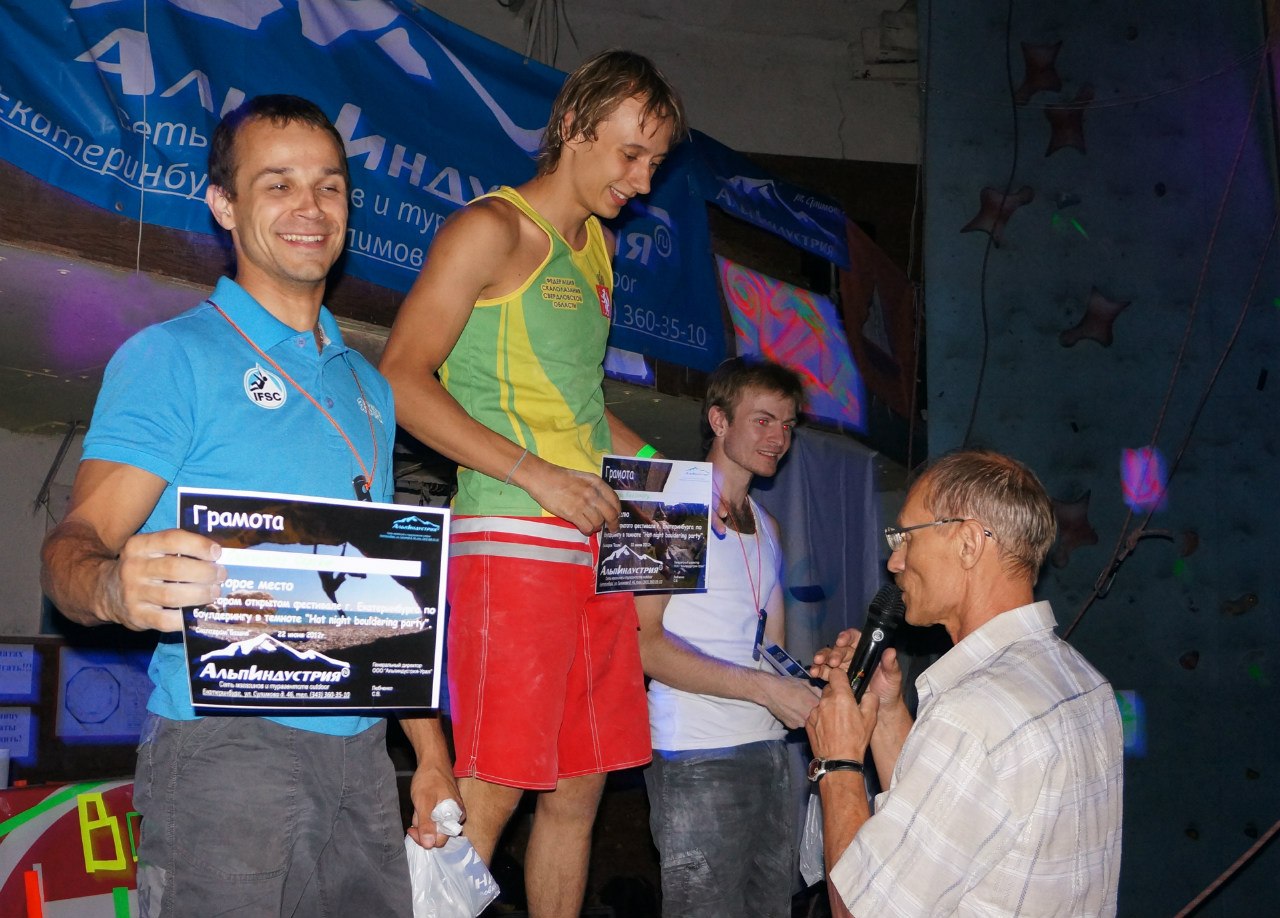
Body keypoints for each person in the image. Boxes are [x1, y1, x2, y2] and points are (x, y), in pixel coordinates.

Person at [40, 95, 458, 917]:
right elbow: (71, 546)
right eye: (278, 184)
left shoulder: (369, 386)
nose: (311, 207)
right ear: (224, 205)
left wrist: (431, 756)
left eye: (330, 186)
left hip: (365, 758)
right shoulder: (171, 358)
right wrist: (113, 586)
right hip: (228, 753)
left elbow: (388, 600)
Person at [379, 50, 687, 917]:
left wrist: (677, 484)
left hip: (592, 546)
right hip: (511, 538)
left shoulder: (598, 249)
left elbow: (580, 408)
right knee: (494, 787)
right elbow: (400, 378)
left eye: (656, 163)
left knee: (580, 789)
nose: (643, 180)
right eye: (631, 153)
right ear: (575, 127)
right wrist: (534, 474)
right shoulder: (491, 230)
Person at [805, 449, 1124, 917]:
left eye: (906, 537)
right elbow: (942, 820)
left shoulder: (973, 714)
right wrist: (886, 709)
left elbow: (859, 910)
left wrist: (837, 762)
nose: (894, 562)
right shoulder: (1082, 680)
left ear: (969, 544)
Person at [637, 357, 820, 917]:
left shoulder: (768, 524)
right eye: (763, 420)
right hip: (696, 753)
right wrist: (766, 690)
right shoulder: (673, 507)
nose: (778, 438)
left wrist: (815, 682)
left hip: (769, 750)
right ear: (719, 421)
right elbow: (644, 645)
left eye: (787, 425)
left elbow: (770, 652)